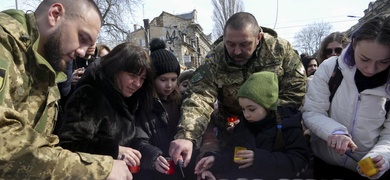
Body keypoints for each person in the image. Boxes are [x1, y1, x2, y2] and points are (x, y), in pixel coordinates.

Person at [0, 0, 132, 179]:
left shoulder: (48, 74)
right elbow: (4, 141)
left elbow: (44, 148)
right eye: (82, 38)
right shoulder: (5, 45)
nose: (83, 52)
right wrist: (98, 169)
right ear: (55, 14)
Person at [169, 12, 306, 167]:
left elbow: (296, 89)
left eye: (244, 44)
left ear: (258, 38)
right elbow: (199, 97)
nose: (237, 51)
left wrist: (263, 117)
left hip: (275, 133)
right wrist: (187, 135)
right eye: (230, 44)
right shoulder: (215, 58)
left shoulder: (279, 49)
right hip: (232, 133)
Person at [302, 13, 390, 180]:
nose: (371, 69)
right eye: (364, 59)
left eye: (384, 62)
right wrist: (333, 132)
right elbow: (312, 112)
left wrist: (382, 157)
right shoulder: (331, 69)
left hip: (366, 168)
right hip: (325, 164)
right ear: (354, 44)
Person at [57, 42, 163, 177]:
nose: (137, 84)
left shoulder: (126, 97)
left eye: (142, 78)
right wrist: (114, 150)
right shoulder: (90, 95)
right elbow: (70, 144)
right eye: (132, 75)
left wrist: (151, 154)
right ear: (116, 69)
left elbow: (129, 134)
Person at [195, 71, 309, 179]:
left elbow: (298, 162)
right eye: (243, 109)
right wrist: (216, 160)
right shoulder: (242, 127)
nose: (246, 115)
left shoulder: (288, 126)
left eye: (251, 109)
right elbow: (232, 156)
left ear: (267, 106)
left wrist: (259, 159)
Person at [135, 39, 197, 179]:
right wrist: (153, 156)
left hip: (183, 170)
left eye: (174, 79)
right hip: (156, 172)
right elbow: (137, 138)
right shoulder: (142, 104)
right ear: (152, 79)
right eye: (163, 80)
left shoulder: (181, 102)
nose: (169, 85)